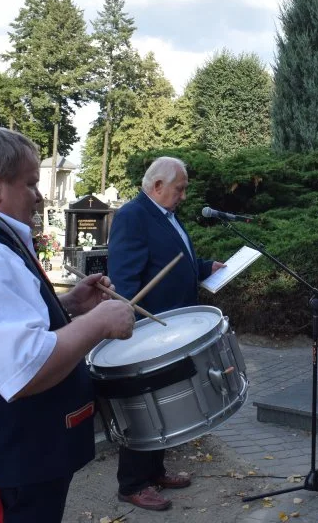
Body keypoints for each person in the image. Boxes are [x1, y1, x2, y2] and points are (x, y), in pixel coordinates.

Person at [0, 127, 135, 522]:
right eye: (31, 183)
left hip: (12, 467)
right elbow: (25, 369)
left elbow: (0, 330)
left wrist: (67, 306)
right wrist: (99, 323)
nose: (40, 196)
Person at [108, 156, 225, 511]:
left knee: (163, 409)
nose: (184, 196)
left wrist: (206, 267)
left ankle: (155, 471)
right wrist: (134, 332)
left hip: (173, 330)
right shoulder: (133, 216)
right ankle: (131, 484)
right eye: (180, 189)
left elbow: (176, 262)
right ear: (157, 186)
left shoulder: (166, 216)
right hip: (149, 333)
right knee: (143, 410)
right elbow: (125, 281)